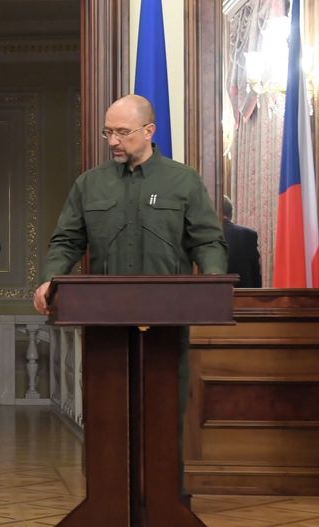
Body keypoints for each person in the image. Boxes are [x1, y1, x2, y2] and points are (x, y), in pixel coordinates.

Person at [32, 94, 227, 501]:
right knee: (107, 417)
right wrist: (52, 279)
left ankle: (164, 502)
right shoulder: (90, 184)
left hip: (166, 324)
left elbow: (207, 240)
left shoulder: (182, 180)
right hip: (105, 324)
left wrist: (212, 281)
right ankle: (108, 501)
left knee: (163, 414)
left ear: (150, 131)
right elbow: (66, 241)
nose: (113, 141)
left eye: (123, 132)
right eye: (109, 132)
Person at [222, 195, 262, 287]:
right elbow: (256, 275)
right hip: (245, 296)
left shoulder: (207, 235)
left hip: (213, 296)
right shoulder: (250, 234)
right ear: (230, 213)